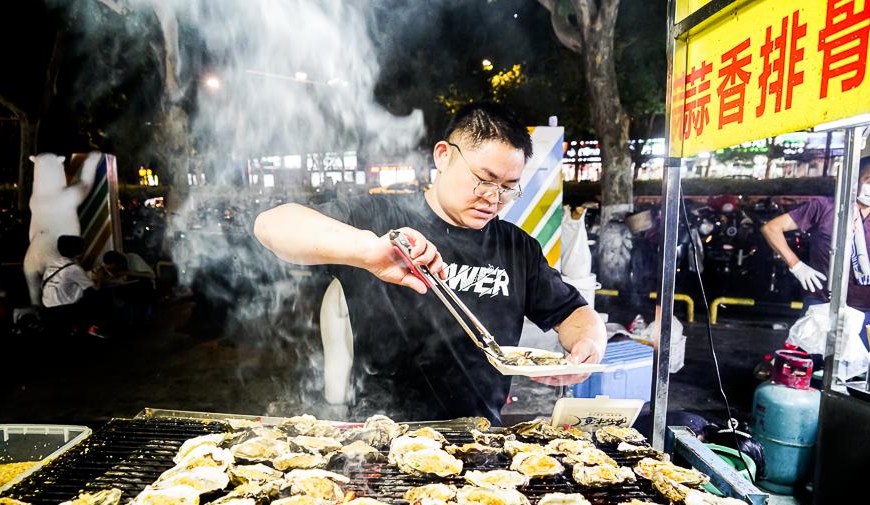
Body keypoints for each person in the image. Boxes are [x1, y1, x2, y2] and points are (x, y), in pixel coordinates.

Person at [254, 102, 606, 424]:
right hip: (382, 439)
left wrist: (588, 345)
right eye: (483, 180)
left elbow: (575, 314)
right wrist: (367, 248)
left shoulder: (517, 248)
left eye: (508, 188)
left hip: (477, 439)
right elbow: (272, 225)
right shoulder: (379, 218)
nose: (493, 198)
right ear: (443, 156)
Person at [761, 155, 870, 345]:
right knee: (809, 363)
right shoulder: (825, 207)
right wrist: (797, 265)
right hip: (822, 303)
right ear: (855, 180)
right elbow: (771, 228)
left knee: (861, 371)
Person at [41, 235, 106, 337]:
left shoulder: (53, 265)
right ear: (78, 252)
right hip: (64, 310)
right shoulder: (74, 269)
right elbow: (96, 287)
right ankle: (93, 328)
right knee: (97, 296)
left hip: (47, 308)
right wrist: (100, 277)